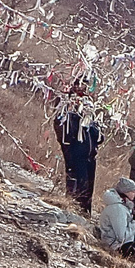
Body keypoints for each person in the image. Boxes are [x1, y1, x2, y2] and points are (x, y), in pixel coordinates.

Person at [52, 84, 104, 214]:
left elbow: (99, 137)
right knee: (77, 183)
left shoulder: (89, 112)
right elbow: (64, 134)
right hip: (75, 154)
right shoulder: (66, 110)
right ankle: (72, 209)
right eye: (80, 88)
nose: (83, 92)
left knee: (88, 187)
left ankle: (85, 212)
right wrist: (76, 116)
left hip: (90, 156)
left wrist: (93, 125)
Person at [95, 176, 135, 251]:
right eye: (133, 191)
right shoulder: (118, 209)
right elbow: (121, 237)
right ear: (126, 192)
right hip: (116, 246)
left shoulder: (122, 205)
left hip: (122, 243)